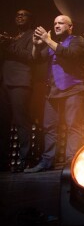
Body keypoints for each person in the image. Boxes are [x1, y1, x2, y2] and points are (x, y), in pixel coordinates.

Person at [25, 15, 84, 173]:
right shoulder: (52, 44)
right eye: (55, 23)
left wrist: (47, 40)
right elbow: (36, 59)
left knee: (73, 126)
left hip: (73, 89)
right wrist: (36, 45)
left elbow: (69, 54)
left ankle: (72, 160)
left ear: (70, 26)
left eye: (61, 23)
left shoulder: (77, 40)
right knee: (49, 127)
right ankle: (47, 161)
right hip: (53, 91)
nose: (57, 25)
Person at [0, 10, 35, 172]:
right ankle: (3, 161)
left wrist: (9, 45)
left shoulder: (32, 35)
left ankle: (25, 159)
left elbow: (30, 57)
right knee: (3, 122)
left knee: (22, 122)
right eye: (17, 14)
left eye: (24, 14)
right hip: (5, 82)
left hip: (20, 82)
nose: (19, 16)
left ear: (30, 19)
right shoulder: (12, 37)